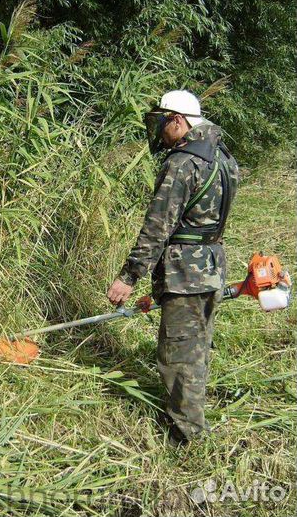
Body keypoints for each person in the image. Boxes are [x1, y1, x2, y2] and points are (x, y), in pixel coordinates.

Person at [106, 90, 239, 446]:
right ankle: (189, 422)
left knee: (180, 355)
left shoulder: (184, 162)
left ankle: (189, 438)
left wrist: (129, 276)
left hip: (186, 273)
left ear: (177, 120)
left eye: (162, 123)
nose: (161, 132)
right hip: (210, 266)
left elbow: (158, 225)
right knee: (196, 348)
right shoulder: (222, 156)